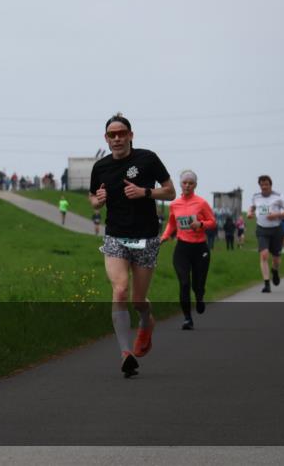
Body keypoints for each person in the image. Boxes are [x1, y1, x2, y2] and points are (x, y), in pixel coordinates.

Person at [89, 113, 175, 378]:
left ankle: (147, 322)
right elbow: (92, 198)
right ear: (106, 138)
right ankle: (126, 353)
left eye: (121, 133)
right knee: (120, 289)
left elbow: (170, 192)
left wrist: (145, 192)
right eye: (112, 135)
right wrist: (98, 200)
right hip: (115, 236)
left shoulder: (147, 159)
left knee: (138, 299)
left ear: (130, 135)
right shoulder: (101, 167)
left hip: (146, 236)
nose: (117, 138)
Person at [161, 170, 216, 330]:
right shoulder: (174, 204)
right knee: (184, 283)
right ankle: (187, 318)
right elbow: (172, 223)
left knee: (198, 284)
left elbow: (212, 221)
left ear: (195, 185)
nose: (187, 185)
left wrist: (201, 224)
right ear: (180, 184)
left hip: (200, 248)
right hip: (182, 248)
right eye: (184, 182)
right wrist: (164, 237)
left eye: (190, 183)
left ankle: (199, 297)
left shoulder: (201, 203)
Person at [247, 175, 284, 293]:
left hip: (276, 229)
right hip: (262, 229)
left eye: (266, 184)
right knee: (264, 255)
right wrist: (249, 213)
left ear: (270, 185)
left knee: (276, 259)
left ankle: (275, 271)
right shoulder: (256, 197)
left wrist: (276, 215)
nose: (264, 187)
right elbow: (252, 207)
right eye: (262, 185)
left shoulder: (278, 197)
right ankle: (267, 284)